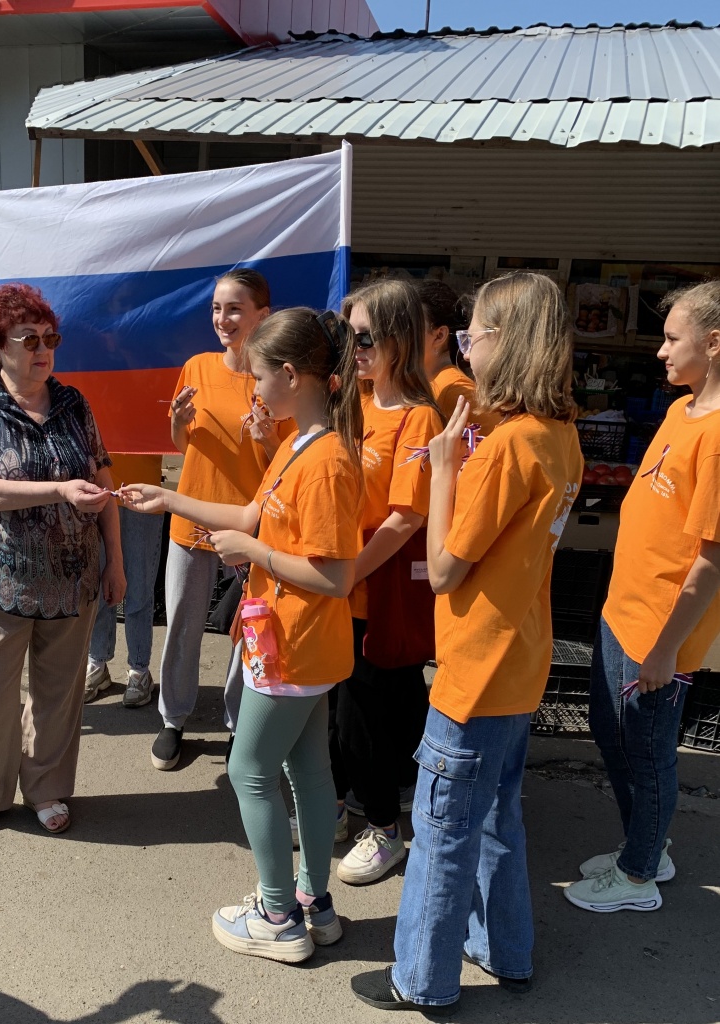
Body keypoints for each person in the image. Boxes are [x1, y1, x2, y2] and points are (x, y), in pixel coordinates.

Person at [351, 272, 583, 1012]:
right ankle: (504, 949)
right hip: (518, 659)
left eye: (470, 335)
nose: (462, 348)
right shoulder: (560, 433)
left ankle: (420, 977)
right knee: (495, 818)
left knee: (442, 828)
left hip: (476, 667)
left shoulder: (507, 446)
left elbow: (446, 568)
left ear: (503, 343)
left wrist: (444, 470)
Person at [122, 306, 364, 963]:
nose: (252, 388)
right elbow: (252, 513)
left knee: (248, 770)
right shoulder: (298, 442)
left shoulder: (326, 460)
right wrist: (169, 499)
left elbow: (335, 576)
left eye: (258, 376)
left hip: (295, 645)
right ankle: (314, 903)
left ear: (291, 375)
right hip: (290, 642)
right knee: (307, 771)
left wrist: (253, 554)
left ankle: (277, 916)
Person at [0, 283, 125, 842]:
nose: (43, 349)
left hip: (73, 580)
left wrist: (115, 562)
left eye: (50, 338)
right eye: (29, 340)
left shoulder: (74, 404)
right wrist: (61, 490)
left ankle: (47, 789)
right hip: (0, 582)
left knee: (58, 697)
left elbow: (103, 481)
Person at [565, 280, 720, 913]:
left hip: (659, 629)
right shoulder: (683, 410)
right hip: (622, 610)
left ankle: (637, 877)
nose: (660, 350)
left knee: (649, 754)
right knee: (611, 733)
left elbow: (710, 561)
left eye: (672, 338)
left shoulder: (718, 434)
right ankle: (646, 847)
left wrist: (666, 649)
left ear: (714, 343)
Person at [153, 268, 289, 771]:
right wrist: (177, 422)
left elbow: (287, 462)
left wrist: (267, 440)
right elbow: (182, 445)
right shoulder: (197, 366)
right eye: (216, 308)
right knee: (182, 626)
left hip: (248, 526)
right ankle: (173, 719)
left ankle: (237, 722)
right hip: (191, 518)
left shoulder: (277, 378)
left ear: (262, 315)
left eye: (234, 309)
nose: (222, 318)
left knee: (246, 628)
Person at [334, 278, 442, 885]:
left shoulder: (418, 417)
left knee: (363, 721)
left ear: (399, 339)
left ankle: (384, 828)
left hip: (375, 594)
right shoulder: (353, 403)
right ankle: (352, 804)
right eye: (349, 336)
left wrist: (347, 573)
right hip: (338, 589)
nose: (355, 349)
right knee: (349, 714)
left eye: (365, 338)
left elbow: (406, 518)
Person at [83, 452, 164, 708]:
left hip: (142, 490)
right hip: (98, 488)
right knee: (98, 586)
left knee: (139, 588)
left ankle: (139, 669)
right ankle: (97, 662)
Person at [417, 278, 502, 434]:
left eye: (409, 326)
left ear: (439, 336)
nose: (396, 335)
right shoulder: (425, 384)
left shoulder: (457, 392)